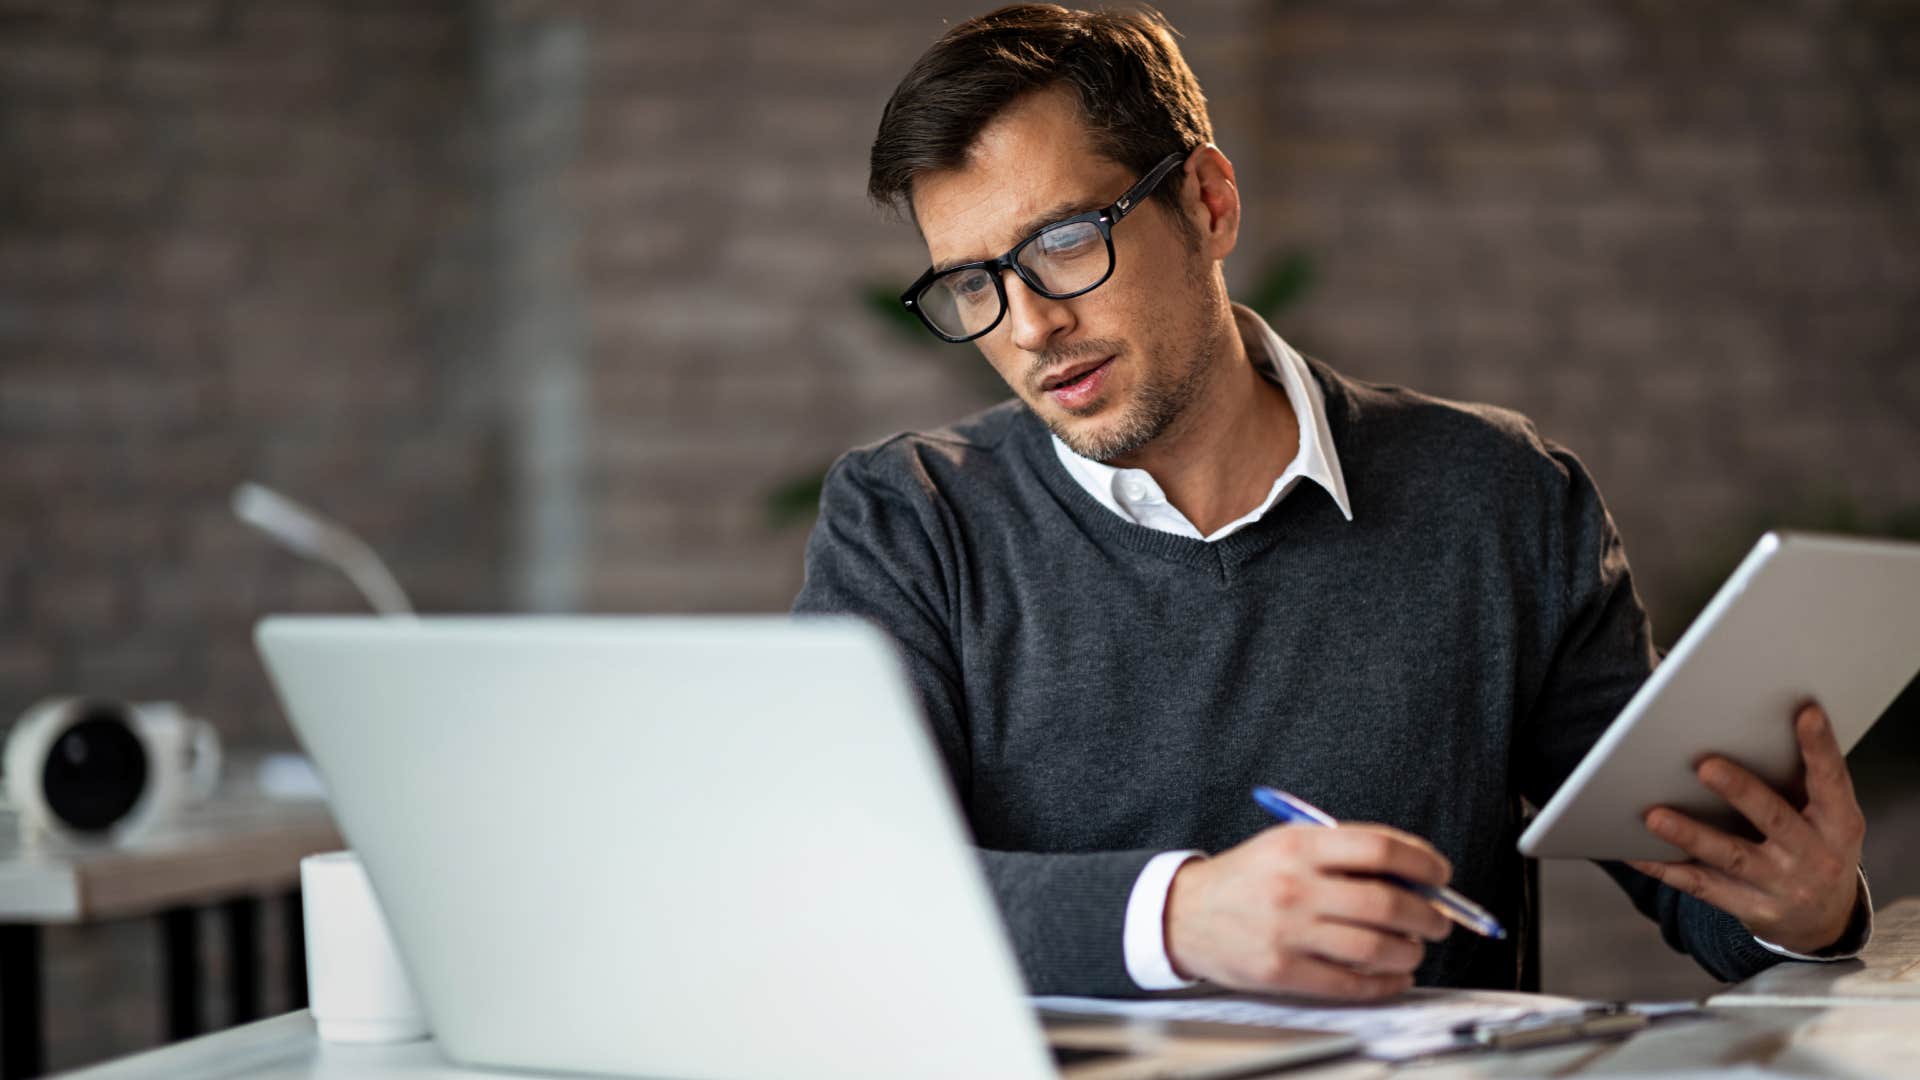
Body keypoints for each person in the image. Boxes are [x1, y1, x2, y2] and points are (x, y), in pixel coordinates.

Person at [793, 3, 1870, 1000]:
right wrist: (1178, 918)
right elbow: (839, 888)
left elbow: (1696, 880)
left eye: (1064, 242)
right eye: (973, 283)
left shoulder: (1501, 497)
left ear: (1208, 205)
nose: (1027, 327)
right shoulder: (910, 519)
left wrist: (1803, 910)